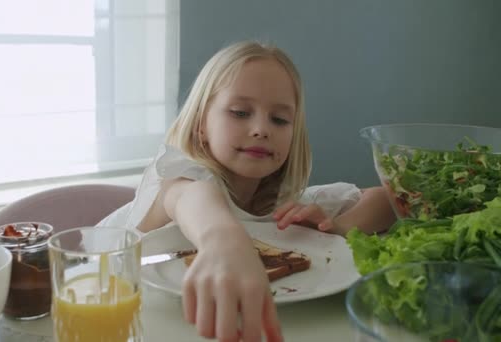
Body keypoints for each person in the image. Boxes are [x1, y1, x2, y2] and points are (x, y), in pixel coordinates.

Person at [97, 41, 396, 342]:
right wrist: (222, 239)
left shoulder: (286, 204)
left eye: (279, 119)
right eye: (240, 113)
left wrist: (337, 227)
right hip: (89, 299)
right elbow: (190, 198)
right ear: (201, 125)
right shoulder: (181, 173)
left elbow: (387, 200)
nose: (260, 129)